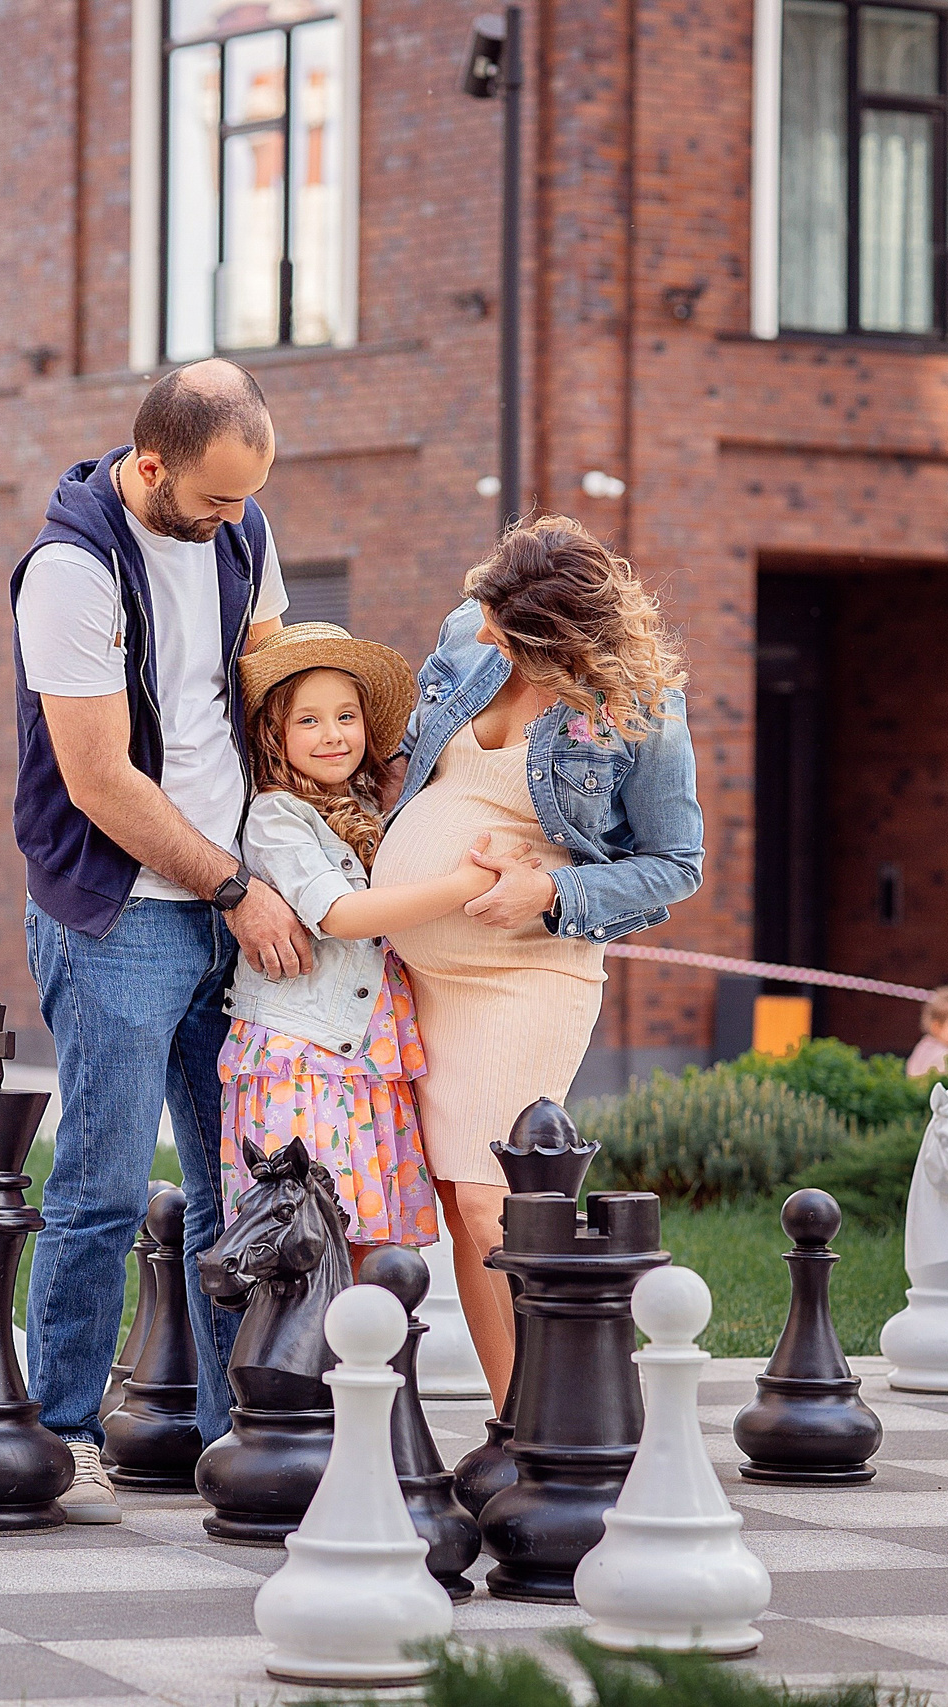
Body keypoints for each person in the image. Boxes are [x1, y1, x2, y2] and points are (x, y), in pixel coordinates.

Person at [11, 359, 314, 1524]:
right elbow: (98, 780)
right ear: (149, 465)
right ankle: (62, 1433)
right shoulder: (70, 570)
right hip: (121, 910)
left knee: (238, 1185)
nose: (235, 522)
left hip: (237, 898)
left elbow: (267, 685)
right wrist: (234, 883)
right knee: (98, 1184)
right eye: (216, 500)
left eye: (248, 500)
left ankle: (244, 1436)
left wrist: (316, 835)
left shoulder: (243, 531)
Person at [371, 515, 704, 1404]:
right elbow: (418, 767)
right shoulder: (464, 630)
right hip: (419, 971)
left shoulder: (640, 709)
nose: (480, 630)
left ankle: (561, 1419)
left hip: (528, 969)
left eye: (503, 627)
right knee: (457, 1203)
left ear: (562, 642)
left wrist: (551, 894)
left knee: (494, 1201)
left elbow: (677, 864)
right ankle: (515, 1417)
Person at [217, 625, 531, 1263]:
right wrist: (464, 883)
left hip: (367, 1055)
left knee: (370, 1241)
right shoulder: (278, 817)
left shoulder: (364, 806)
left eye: (346, 716)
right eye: (309, 720)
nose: (333, 734)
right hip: (304, 1058)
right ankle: (309, 1363)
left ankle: (366, 1362)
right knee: (307, 1238)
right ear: (274, 737)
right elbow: (341, 914)